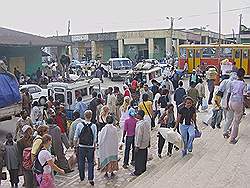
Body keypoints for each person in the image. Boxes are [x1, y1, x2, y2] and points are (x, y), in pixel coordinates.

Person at [74, 110, 97, 186]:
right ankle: (90, 178)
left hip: (81, 146)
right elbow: (95, 138)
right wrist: (94, 147)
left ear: (84, 116)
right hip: (90, 146)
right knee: (90, 162)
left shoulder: (80, 125)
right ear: (91, 116)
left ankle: (82, 176)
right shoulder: (93, 126)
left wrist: (75, 145)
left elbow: (76, 136)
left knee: (81, 162)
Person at [227, 68, 246, 144]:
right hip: (238, 103)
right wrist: (244, 104)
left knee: (233, 118)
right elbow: (244, 95)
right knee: (236, 121)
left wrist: (227, 103)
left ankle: (230, 129)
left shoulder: (232, 82)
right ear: (243, 75)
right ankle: (232, 138)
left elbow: (229, 93)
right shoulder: (243, 84)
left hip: (231, 102)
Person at [131, 110, 151, 176]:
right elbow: (148, 133)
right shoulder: (146, 123)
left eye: (137, 114)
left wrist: (137, 145)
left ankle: (137, 171)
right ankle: (143, 169)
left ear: (139, 115)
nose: (136, 115)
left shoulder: (140, 125)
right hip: (145, 143)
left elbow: (139, 136)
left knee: (138, 159)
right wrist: (149, 142)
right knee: (144, 157)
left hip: (140, 144)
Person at [219, 72, 237, 138]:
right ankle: (225, 131)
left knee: (227, 117)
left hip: (223, 102)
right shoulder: (234, 83)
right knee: (230, 118)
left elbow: (220, 90)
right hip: (229, 103)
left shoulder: (224, 81)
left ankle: (228, 129)